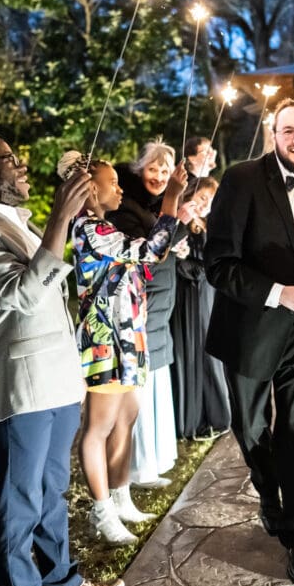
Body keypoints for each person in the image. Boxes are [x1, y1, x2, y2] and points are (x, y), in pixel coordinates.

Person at [0, 132, 122, 586]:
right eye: (9, 160)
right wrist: (60, 217)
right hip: (19, 387)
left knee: (52, 492)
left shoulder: (17, 221)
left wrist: (76, 220)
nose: (22, 167)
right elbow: (23, 294)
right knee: (18, 503)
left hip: (57, 379)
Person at [204, 99, 294, 585]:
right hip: (249, 330)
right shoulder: (241, 179)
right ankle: (267, 492)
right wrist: (280, 293)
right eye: (288, 131)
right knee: (253, 428)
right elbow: (219, 263)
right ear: (273, 134)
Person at [59, 152, 188, 545]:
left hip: (129, 334)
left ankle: (121, 496)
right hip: (105, 339)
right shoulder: (89, 228)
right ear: (88, 188)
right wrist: (172, 200)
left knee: (127, 416)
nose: (119, 188)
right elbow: (150, 251)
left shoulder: (104, 226)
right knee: (98, 427)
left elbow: (149, 258)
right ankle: (101, 511)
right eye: (112, 182)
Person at [108, 141, 191, 489]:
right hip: (140, 307)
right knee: (141, 386)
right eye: (152, 169)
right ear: (140, 169)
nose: (158, 176)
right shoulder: (127, 210)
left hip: (160, 308)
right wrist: (177, 225)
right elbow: (151, 252)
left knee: (157, 382)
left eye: (164, 170)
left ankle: (155, 460)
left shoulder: (154, 206)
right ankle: (139, 467)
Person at [171, 176, 231, 440]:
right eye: (202, 197)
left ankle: (215, 413)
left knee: (208, 349)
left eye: (210, 200)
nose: (206, 204)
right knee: (189, 347)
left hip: (206, 291)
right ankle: (191, 417)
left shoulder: (209, 223)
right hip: (186, 293)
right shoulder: (179, 220)